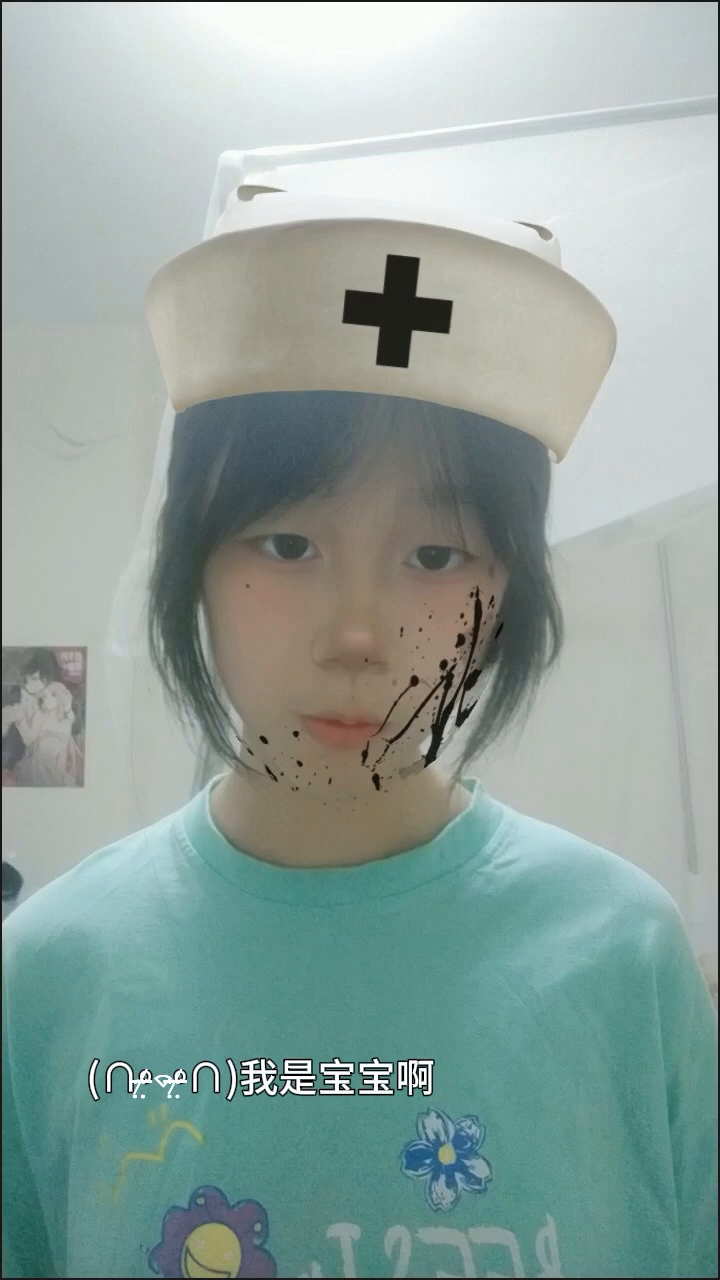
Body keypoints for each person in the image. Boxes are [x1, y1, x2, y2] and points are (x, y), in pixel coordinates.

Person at [2, 187, 716, 1280]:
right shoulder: (53, 973)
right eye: (287, 544)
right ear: (193, 564)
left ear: (508, 592)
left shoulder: (623, 953)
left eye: (436, 556)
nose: (358, 636)